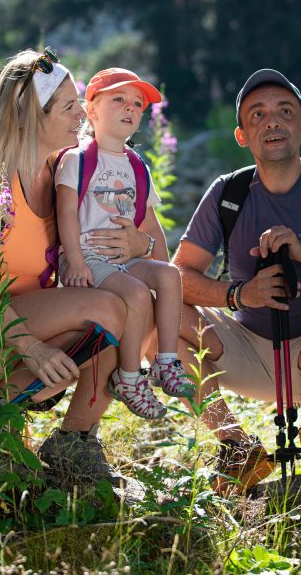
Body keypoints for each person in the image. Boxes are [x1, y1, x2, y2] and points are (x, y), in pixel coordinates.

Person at [0, 49, 154, 484]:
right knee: (111, 310)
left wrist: (138, 241)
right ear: (32, 116)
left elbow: (154, 242)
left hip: (38, 315)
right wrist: (34, 348)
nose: (80, 115)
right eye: (70, 106)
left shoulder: (63, 170)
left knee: (132, 304)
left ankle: (73, 443)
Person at [172, 69, 301, 494]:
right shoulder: (227, 194)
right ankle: (236, 445)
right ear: (242, 136)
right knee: (159, 318)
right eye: (257, 115)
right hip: (244, 342)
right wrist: (239, 293)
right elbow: (177, 276)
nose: (272, 122)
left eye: (285, 112)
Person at [56, 68, 191, 420]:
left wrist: (145, 249)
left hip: (124, 260)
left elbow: (149, 228)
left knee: (170, 276)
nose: (130, 108)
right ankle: (129, 378)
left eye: (137, 104)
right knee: (136, 294)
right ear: (91, 110)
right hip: (90, 257)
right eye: (118, 99)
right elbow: (67, 214)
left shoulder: (137, 165)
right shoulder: (78, 159)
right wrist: (75, 261)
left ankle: (165, 361)